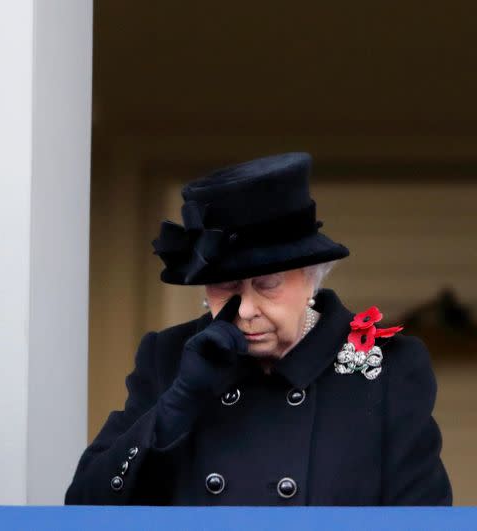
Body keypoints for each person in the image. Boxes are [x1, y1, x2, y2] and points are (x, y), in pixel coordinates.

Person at [65, 152, 451, 505]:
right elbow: (85, 504)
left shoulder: (386, 366)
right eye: (227, 287)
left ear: (312, 279)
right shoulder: (167, 357)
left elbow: (423, 518)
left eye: (268, 284)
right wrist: (178, 401)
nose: (246, 309)